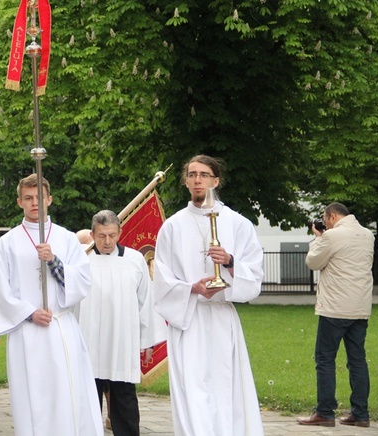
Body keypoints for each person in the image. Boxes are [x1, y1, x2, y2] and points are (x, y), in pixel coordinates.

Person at [153, 154, 264, 435]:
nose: (197, 179)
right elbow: (162, 278)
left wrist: (229, 261)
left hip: (221, 317)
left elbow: (254, 275)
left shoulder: (238, 224)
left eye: (203, 174)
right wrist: (192, 288)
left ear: (216, 180)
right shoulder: (172, 227)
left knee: (226, 387)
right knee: (191, 389)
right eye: (192, 174)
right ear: (185, 181)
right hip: (189, 318)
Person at [0, 173, 103, 436]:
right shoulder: (8, 243)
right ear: (19, 202)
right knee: (32, 395)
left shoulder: (66, 238)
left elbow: (82, 280)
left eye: (39, 197)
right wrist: (29, 313)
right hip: (27, 332)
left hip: (60, 326)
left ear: (49, 199)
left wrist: (54, 261)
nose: (34, 203)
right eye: (28, 198)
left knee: (67, 391)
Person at [78, 210, 167, 435]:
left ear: (120, 232)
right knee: (86, 399)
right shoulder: (81, 260)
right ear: (92, 234)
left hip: (122, 341)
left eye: (112, 235)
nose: (107, 242)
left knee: (124, 398)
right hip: (88, 340)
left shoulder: (134, 260)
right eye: (101, 236)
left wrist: (147, 340)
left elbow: (146, 301)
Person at [296, 202, 374, 428]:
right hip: (360, 307)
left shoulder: (332, 237)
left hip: (335, 307)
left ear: (331, 217)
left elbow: (313, 262)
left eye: (325, 219)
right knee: (357, 360)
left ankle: (324, 412)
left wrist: (319, 237)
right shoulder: (367, 235)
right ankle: (361, 414)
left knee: (325, 359)